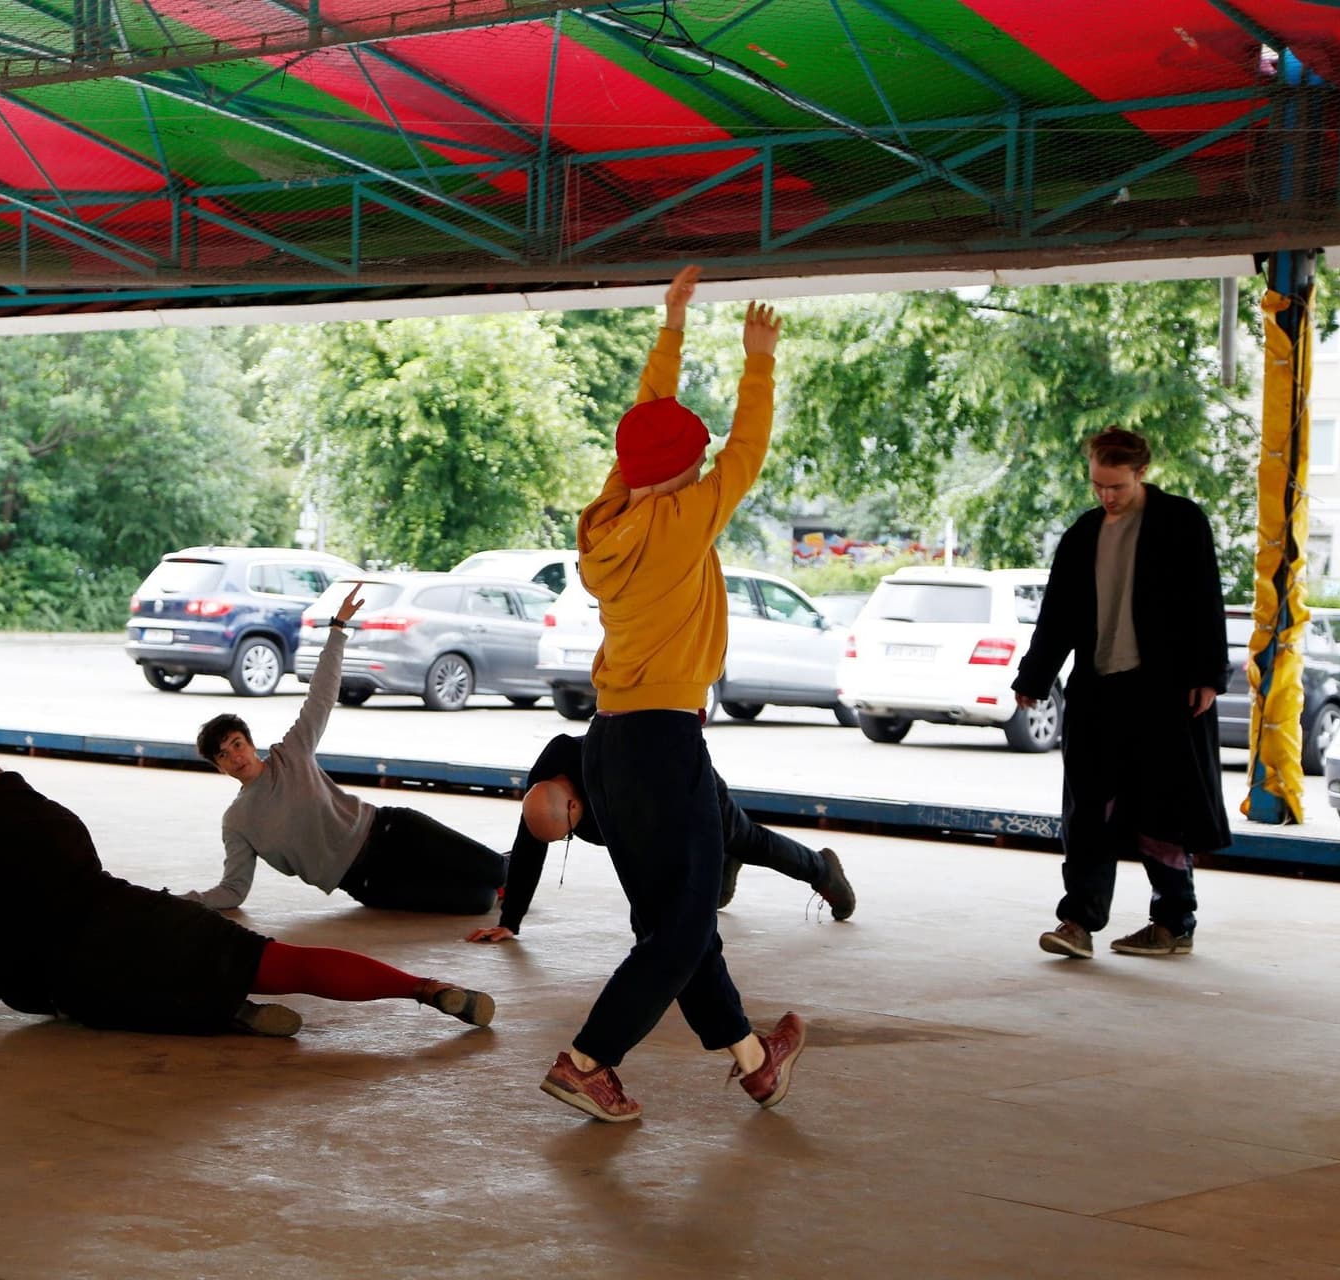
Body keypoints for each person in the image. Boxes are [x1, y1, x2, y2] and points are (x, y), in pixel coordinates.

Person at [539, 265, 806, 1124]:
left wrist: (674, 324)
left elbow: (646, 422)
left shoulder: (609, 511)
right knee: (683, 930)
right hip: (661, 742)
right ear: (686, 469)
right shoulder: (684, 517)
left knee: (677, 922)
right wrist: (757, 360)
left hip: (610, 747)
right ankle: (588, 1059)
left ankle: (756, 1061)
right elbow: (746, 452)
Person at [0, 755, 496, 1035]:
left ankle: (231, 1013)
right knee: (280, 961)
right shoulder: (54, 812)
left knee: (69, 998)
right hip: (144, 912)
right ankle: (425, 987)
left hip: (75, 963)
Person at [1013, 428, 1229, 960]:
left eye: (1116, 486)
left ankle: (1174, 922)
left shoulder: (1181, 522)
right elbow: (1057, 616)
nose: (1106, 496)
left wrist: (1207, 674)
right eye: (1097, 486)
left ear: (1141, 473)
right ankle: (1078, 923)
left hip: (1164, 692)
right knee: (1088, 810)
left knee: (1164, 808)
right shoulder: (1083, 534)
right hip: (1097, 692)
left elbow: (1206, 599)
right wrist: (1033, 678)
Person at [186, 585, 508, 915]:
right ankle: (492, 873)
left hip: (391, 830)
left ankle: (504, 863)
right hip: (367, 880)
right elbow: (234, 890)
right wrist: (181, 901)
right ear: (219, 766)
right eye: (223, 754)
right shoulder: (237, 821)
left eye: (237, 744)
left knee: (497, 872)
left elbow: (321, 697)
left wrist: (337, 629)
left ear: (251, 744)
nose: (235, 756)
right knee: (480, 900)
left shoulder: (291, 754)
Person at [465, 733, 855, 943]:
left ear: (574, 806)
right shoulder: (548, 777)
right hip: (656, 799)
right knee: (711, 886)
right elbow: (530, 844)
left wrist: (653, 939)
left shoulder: (613, 789)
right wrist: (510, 920)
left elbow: (645, 865)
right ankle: (723, 856)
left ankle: (823, 870)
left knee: (746, 839)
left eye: (569, 833)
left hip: (689, 784)